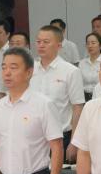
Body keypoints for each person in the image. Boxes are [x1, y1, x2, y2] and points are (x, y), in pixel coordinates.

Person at [0, 47, 64, 174]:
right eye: (4, 67)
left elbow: (57, 147)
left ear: (29, 72)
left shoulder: (44, 104)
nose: (7, 73)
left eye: (13, 67)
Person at [31, 24, 86, 160]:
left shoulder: (71, 71)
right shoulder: (30, 70)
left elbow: (78, 107)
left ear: (59, 45)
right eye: (38, 41)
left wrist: (74, 142)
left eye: (46, 42)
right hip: (33, 137)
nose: (41, 45)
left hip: (60, 136)